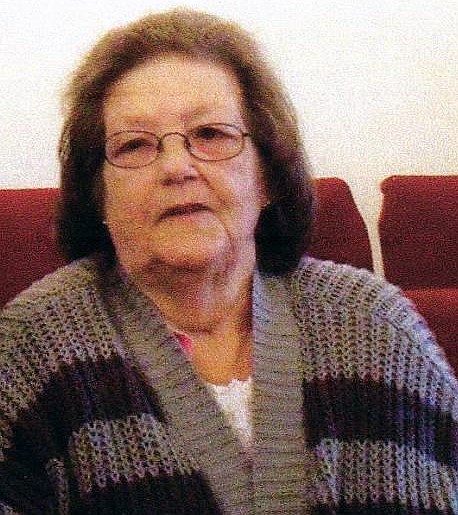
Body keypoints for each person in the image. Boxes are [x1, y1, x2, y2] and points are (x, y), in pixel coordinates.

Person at [0, 8, 457, 514]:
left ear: (268, 175)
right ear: (98, 194)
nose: (177, 167)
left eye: (211, 135)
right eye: (134, 145)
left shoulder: (376, 324)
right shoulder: (29, 349)